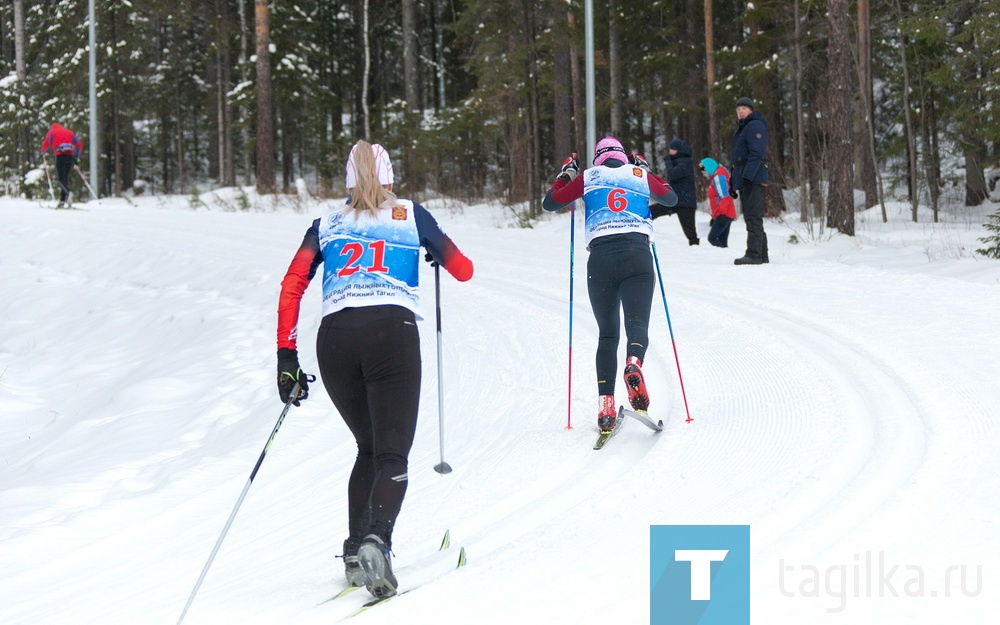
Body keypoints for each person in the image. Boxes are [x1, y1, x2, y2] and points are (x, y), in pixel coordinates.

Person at [275, 140, 474, 600]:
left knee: (368, 446)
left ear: (347, 182)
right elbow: (462, 269)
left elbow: (292, 285)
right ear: (389, 179)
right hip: (391, 334)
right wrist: (433, 254)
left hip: (336, 340)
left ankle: (353, 550)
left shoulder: (325, 223)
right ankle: (377, 541)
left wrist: (287, 357)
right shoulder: (409, 214)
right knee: (391, 454)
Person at [542, 137, 677, 432]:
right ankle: (634, 364)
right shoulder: (638, 174)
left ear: (597, 159)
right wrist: (645, 169)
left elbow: (550, 203)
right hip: (637, 256)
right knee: (637, 323)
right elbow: (671, 198)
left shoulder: (588, 177)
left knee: (607, 335)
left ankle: (605, 408)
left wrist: (565, 175)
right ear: (623, 157)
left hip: (601, 260)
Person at [730, 97, 769, 264]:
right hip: (746, 176)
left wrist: (747, 176)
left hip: (753, 177)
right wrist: (734, 181)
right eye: (738, 109)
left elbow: (757, 154)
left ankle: (754, 254)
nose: (741, 112)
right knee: (752, 216)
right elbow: (738, 158)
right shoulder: (745, 127)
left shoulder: (754, 125)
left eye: (744, 109)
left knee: (753, 216)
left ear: (751, 110)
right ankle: (762, 254)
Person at [661, 138, 699, 246]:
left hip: (685, 200)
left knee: (690, 230)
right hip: (675, 199)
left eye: (672, 149)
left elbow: (673, 174)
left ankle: (696, 249)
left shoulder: (686, 162)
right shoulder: (678, 161)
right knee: (652, 211)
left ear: (678, 150)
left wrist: (668, 161)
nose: (670, 152)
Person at [40, 122, 84, 208]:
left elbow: (46, 143)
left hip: (60, 155)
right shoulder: (69, 132)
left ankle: (67, 193)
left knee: (60, 178)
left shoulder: (52, 132)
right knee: (65, 178)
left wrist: (43, 152)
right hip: (69, 156)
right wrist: (76, 157)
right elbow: (79, 145)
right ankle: (63, 200)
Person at [699, 157, 737, 248]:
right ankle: (725, 258)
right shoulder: (716, 178)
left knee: (712, 238)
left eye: (704, 172)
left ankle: (726, 254)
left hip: (724, 214)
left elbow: (724, 197)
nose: (703, 174)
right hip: (723, 213)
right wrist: (714, 216)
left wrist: (722, 214)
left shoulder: (718, 178)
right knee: (722, 241)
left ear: (709, 168)